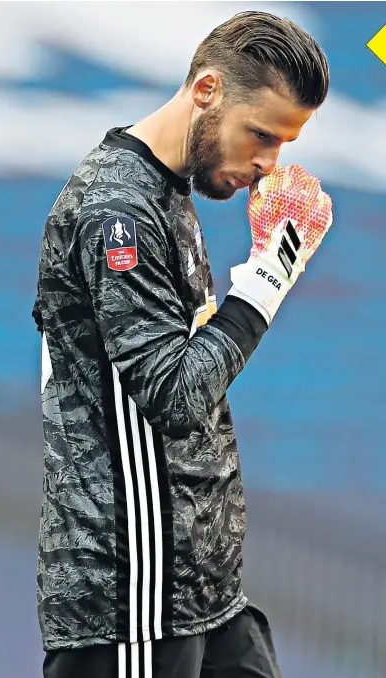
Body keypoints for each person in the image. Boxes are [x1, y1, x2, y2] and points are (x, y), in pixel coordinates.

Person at [33, 10, 333, 678]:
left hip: (200, 594)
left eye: (283, 145)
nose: (267, 164)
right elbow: (171, 396)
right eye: (261, 134)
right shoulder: (118, 211)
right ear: (206, 92)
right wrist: (266, 282)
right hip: (135, 601)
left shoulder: (167, 188)